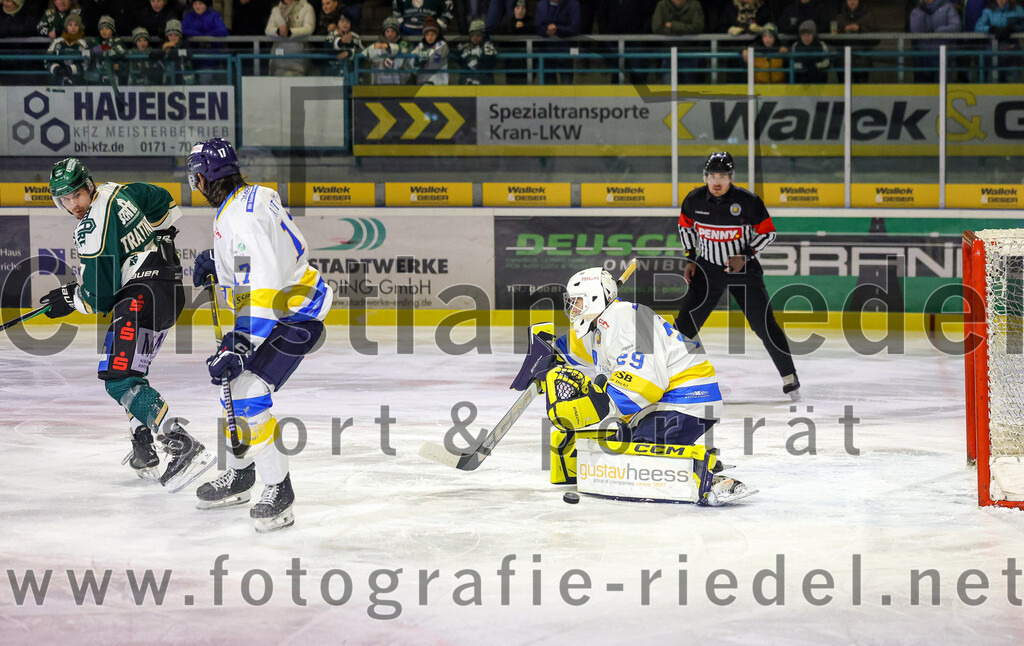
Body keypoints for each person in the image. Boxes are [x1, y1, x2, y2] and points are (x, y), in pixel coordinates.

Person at [188, 138, 334, 533]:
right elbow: (268, 254)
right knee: (231, 385)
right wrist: (221, 267)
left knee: (248, 392)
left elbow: (265, 286)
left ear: (201, 179)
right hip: (285, 304)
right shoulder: (254, 195)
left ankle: (278, 489)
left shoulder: (238, 218)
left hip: (295, 313)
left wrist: (239, 343)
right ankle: (240, 475)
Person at [43, 158, 215, 490]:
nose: (73, 205)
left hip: (139, 299)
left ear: (88, 186)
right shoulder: (118, 191)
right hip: (166, 291)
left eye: (76, 195)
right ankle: (143, 446)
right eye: (64, 199)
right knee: (132, 373)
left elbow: (98, 298)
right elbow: (161, 197)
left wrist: (70, 300)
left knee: (118, 381)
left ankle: (181, 443)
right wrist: (163, 236)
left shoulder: (91, 226)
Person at [523, 267, 748, 505]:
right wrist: (551, 353)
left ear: (594, 297)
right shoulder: (603, 324)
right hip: (665, 403)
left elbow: (646, 381)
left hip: (688, 400)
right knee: (617, 442)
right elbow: (580, 347)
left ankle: (703, 474)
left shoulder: (624, 318)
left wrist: (598, 404)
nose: (573, 308)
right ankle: (678, 452)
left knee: (637, 454)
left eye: (577, 301)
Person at [675, 152, 800, 399]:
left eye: (722, 176)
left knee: (765, 326)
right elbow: (685, 226)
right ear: (705, 178)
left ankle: (789, 376)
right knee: (684, 326)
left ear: (731, 178)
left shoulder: (748, 201)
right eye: (712, 176)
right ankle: (667, 378)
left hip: (744, 273)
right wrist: (690, 257)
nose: (717, 181)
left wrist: (745, 255)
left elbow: (768, 233)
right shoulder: (694, 200)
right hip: (707, 270)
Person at [652, 0, 706, 85]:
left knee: (688, 88)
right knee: (668, 89)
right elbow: (656, 27)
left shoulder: (694, 4)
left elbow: (697, 27)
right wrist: (685, 29)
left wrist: (672, 25)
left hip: (689, 53)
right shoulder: (662, 5)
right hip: (668, 53)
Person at [908, 0, 961, 83]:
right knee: (922, 87)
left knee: (942, 85)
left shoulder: (948, 8)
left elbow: (956, 26)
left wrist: (937, 32)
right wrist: (921, 13)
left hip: (943, 56)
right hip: (922, 57)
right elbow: (915, 30)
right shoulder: (917, 10)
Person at [975, 0, 1024, 82]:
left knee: (1013, 85)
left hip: (1012, 55)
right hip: (994, 55)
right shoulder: (988, 11)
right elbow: (978, 28)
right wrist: (991, 29)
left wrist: (1013, 29)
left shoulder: (1017, 9)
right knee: (993, 84)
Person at [535, 0, 581, 84]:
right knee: (549, 88)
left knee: (566, 87)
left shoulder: (573, 4)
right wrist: (546, 31)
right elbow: (538, 26)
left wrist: (557, 29)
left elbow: (575, 27)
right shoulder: (541, 5)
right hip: (546, 53)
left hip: (566, 52)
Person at [265, 0, 314, 75]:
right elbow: (268, 30)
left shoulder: (306, 8)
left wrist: (290, 32)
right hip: (278, 61)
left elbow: (309, 29)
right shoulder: (276, 10)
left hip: (299, 60)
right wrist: (278, 31)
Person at [835, 0, 878, 83]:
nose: (852, 1)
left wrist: (859, 29)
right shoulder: (839, 16)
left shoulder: (868, 16)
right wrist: (842, 32)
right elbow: (832, 40)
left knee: (861, 92)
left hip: (862, 64)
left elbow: (876, 39)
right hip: (843, 63)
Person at [361, 16, 411, 85]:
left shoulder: (403, 45)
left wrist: (387, 47)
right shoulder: (377, 46)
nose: (390, 34)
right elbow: (365, 54)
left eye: (393, 31)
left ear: (397, 33)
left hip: (398, 88)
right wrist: (375, 55)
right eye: (387, 31)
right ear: (384, 33)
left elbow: (402, 50)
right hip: (380, 88)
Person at [45, 12, 89, 84]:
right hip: (57, 77)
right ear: (66, 26)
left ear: (79, 27)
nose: (73, 28)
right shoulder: (58, 41)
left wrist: (71, 69)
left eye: (76, 25)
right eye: (70, 25)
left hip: (77, 79)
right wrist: (56, 69)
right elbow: (47, 59)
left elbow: (87, 61)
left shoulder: (83, 43)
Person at [453, 18, 496, 84]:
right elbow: (455, 54)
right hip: (467, 83)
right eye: (472, 35)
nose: (475, 38)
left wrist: (477, 59)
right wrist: (467, 56)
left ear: (483, 36)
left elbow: (489, 64)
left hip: (484, 83)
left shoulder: (488, 46)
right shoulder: (464, 46)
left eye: (478, 35)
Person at [88, 14, 127, 84]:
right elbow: (88, 52)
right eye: (102, 29)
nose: (104, 31)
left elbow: (120, 51)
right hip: (98, 76)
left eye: (107, 28)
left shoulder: (117, 40)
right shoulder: (95, 42)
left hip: (114, 76)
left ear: (112, 30)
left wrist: (103, 53)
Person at [411, 15, 448, 84]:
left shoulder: (442, 44)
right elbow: (413, 60)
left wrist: (422, 55)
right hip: (423, 82)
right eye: (427, 34)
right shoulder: (421, 45)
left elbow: (435, 59)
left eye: (432, 34)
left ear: (436, 35)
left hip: (438, 83)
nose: (429, 37)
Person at [324, 10, 360, 75]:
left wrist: (349, 53)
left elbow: (361, 52)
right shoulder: (332, 35)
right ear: (337, 23)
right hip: (332, 71)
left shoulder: (355, 37)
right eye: (342, 21)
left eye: (348, 22)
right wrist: (341, 42)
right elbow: (327, 47)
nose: (345, 24)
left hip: (350, 73)